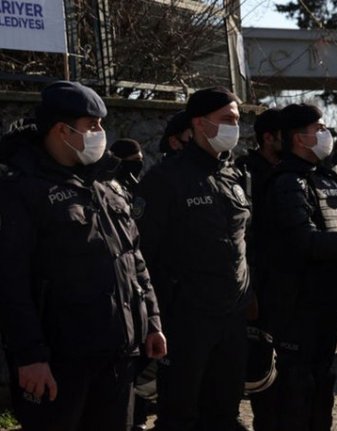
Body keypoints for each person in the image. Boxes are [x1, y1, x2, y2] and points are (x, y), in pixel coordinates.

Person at [0, 80, 166, 431]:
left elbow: (134, 258)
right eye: (93, 125)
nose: (100, 133)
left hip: (118, 355)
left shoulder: (106, 184)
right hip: (59, 363)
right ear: (62, 130)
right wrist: (30, 356)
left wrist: (151, 320)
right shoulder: (21, 190)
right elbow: (10, 283)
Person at [134, 87, 252, 431]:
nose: (235, 127)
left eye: (237, 120)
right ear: (199, 123)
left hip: (231, 318)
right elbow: (144, 255)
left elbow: (244, 242)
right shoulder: (165, 179)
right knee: (179, 416)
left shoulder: (234, 176)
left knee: (225, 413)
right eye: (227, 119)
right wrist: (154, 319)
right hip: (186, 321)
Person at [261, 103, 337, 430]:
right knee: (298, 391)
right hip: (298, 307)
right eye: (320, 128)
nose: (326, 134)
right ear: (299, 138)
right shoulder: (285, 183)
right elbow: (304, 242)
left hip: (329, 302)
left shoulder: (326, 177)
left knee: (322, 387)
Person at [233, 108, 282, 431]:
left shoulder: (293, 173)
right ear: (268, 138)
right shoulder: (245, 174)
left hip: (282, 289)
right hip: (252, 288)